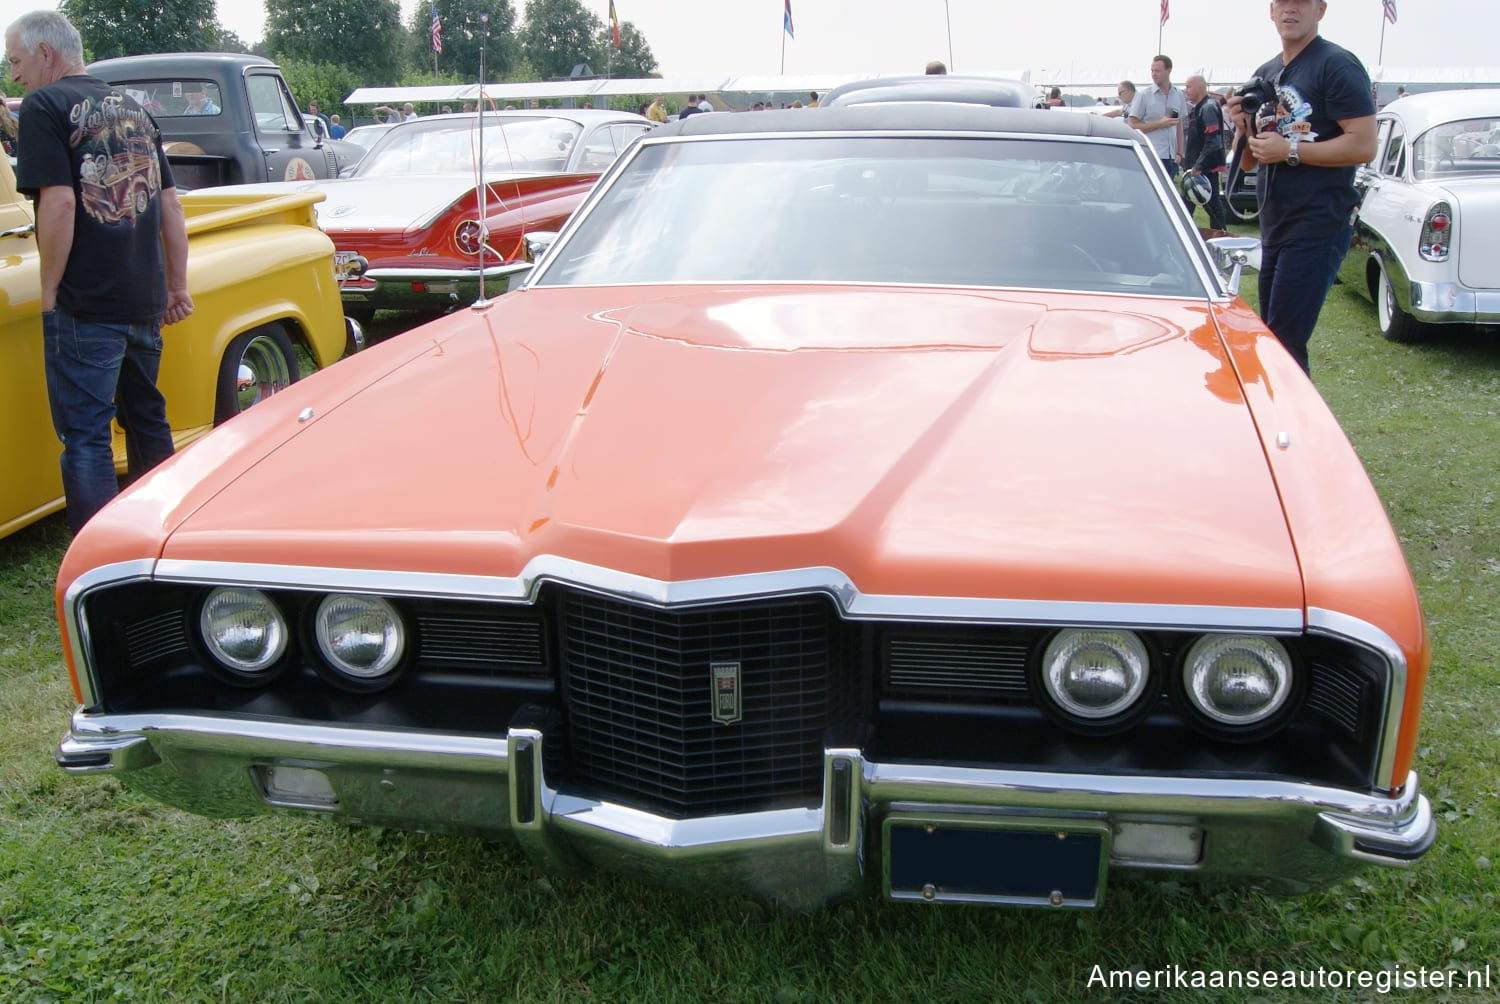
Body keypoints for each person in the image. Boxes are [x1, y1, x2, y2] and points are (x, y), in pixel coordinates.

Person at [5, 9, 192, 533]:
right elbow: (171, 208)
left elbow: (60, 204)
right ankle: (163, 531)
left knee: (86, 436)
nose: (14, 75)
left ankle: (100, 552)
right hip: (143, 299)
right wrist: (176, 286)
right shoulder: (134, 107)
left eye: (16, 61)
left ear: (45, 53)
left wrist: (49, 293)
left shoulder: (44, 104)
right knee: (146, 418)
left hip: (85, 304)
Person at [1227, 0, 1376, 375]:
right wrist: (1243, 128)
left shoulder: (1336, 64)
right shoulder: (1267, 73)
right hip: (1276, 224)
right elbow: (1249, 161)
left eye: (1301, 2)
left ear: (1320, 10)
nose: (1290, 10)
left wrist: (1291, 150)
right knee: (1276, 339)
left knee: (1284, 343)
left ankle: (1292, 428)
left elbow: (1364, 145)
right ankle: (1283, 424)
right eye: (1283, 3)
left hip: (1318, 222)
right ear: (1271, 11)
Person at [1128, 54, 1188, 179]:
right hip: (1152, 155)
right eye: (1152, 70)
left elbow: (1179, 125)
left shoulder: (1178, 95)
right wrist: (1159, 124)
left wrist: (1180, 153)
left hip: (1171, 157)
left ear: (1168, 70)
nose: (1154, 74)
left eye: (1157, 71)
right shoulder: (1144, 95)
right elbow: (1132, 125)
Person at [1182, 74, 1228, 230]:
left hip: (1204, 170)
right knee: (1186, 209)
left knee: (1213, 208)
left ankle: (1221, 237)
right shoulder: (1201, 107)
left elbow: (1213, 141)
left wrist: (1198, 166)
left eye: (1188, 86)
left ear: (1200, 87)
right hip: (1195, 169)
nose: (1185, 90)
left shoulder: (1208, 108)